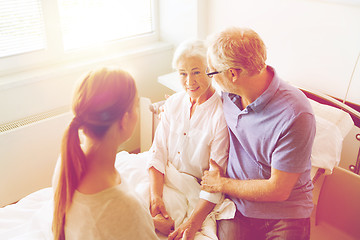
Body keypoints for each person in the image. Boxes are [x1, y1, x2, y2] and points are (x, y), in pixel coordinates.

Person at [201, 27, 316, 240]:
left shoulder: (295, 114)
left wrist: (221, 183)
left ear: (233, 74)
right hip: (238, 207)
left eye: (212, 72)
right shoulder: (228, 95)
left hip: (285, 213)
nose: (211, 78)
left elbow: (278, 190)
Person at [52, 67, 159, 240]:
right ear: (124, 120)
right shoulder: (126, 207)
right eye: (136, 106)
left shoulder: (66, 164)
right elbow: (114, 218)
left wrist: (147, 223)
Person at [148, 40, 230, 239]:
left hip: (191, 189)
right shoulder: (174, 102)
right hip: (161, 179)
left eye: (196, 72)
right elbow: (157, 152)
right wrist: (155, 196)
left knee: (160, 226)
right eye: (183, 73)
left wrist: (193, 223)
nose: (189, 81)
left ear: (210, 71)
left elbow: (215, 181)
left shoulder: (220, 116)